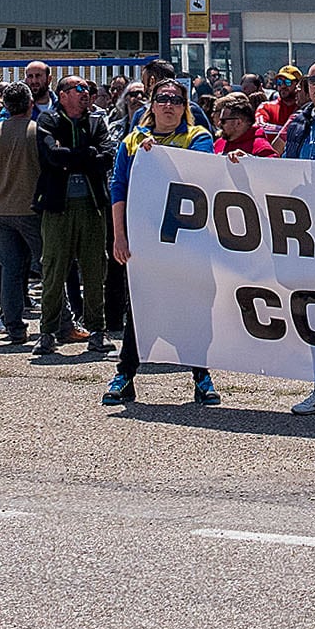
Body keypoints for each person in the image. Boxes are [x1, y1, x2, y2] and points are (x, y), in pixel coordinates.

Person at [104, 77, 217, 403]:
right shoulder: (132, 142)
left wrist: (160, 156)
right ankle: (124, 375)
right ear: (151, 105)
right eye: (163, 98)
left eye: (176, 100)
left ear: (186, 107)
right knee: (139, 308)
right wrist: (119, 236)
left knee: (195, 310)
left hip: (189, 241)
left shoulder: (198, 137)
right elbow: (118, 188)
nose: (169, 105)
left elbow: (201, 172)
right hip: (145, 241)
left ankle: (201, 377)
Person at [35, 76, 120, 358]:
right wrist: (86, 155)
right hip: (58, 207)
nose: (86, 94)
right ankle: (47, 332)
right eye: (79, 89)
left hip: (92, 206)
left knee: (96, 268)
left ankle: (97, 330)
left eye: (88, 89)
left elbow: (107, 157)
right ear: (63, 95)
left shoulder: (97, 122)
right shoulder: (48, 121)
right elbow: (51, 156)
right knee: (54, 268)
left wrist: (74, 155)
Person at [0, 86, 45, 347]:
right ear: (29, 104)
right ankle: (55, 323)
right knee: (48, 267)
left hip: (0, 212)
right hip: (31, 211)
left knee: (11, 270)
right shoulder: (37, 132)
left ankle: (14, 326)